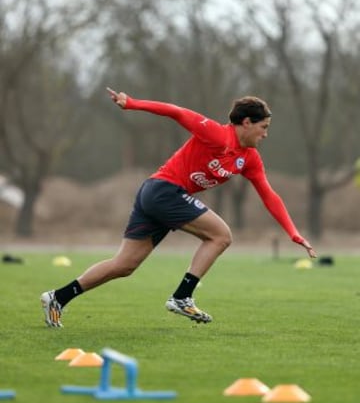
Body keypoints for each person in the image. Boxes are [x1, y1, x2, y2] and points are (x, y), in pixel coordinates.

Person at [41, 88, 317, 327]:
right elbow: (176, 111)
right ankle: (182, 297)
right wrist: (133, 103)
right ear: (246, 122)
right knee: (221, 235)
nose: (266, 134)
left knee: (124, 265)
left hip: (161, 196)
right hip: (162, 191)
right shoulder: (218, 136)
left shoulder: (250, 159)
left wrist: (292, 232)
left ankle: (57, 298)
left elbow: (269, 195)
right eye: (264, 127)